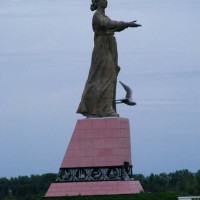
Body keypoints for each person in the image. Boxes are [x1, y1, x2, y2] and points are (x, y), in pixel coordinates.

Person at [77, 0, 141, 118]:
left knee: (111, 75)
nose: (106, 1)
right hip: (102, 47)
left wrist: (126, 25)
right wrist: (126, 24)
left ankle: (103, 108)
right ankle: (103, 108)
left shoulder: (103, 16)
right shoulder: (97, 16)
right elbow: (109, 24)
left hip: (109, 46)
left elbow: (114, 27)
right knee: (107, 76)